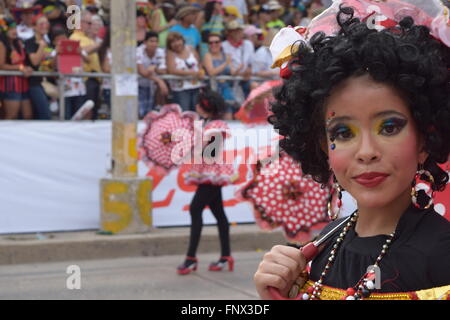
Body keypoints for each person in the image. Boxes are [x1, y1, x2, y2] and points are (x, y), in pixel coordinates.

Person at [254, 1, 450, 300]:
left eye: (389, 128)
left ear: (424, 140)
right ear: (323, 146)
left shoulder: (442, 254)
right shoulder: (321, 249)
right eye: (343, 133)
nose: (366, 152)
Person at [177, 88, 236, 275]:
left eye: (199, 103)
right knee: (219, 213)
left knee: (196, 209)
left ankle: (190, 258)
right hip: (208, 174)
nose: (196, 106)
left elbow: (211, 153)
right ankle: (225, 256)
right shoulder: (209, 124)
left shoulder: (216, 126)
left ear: (204, 106)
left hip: (211, 175)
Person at [70, 10, 102, 120]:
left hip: (93, 78)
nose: (90, 26)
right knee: (87, 110)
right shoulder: (75, 37)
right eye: (88, 23)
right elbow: (82, 53)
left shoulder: (86, 38)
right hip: (86, 78)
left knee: (92, 110)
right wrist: (100, 44)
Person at [0, 16, 34, 120]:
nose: (13, 31)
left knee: (28, 116)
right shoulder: (1, 44)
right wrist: (20, 68)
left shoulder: (18, 43)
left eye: (14, 28)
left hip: (23, 83)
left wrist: (28, 68)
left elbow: (23, 61)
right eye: (10, 29)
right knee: (11, 116)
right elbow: (1, 65)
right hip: (9, 84)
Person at [166, 31, 204, 112]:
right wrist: (191, 73)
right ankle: (184, 125)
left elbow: (199, 63)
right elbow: (172, 70)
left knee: (198, 112)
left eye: (178, 40)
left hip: (196, 86)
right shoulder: (170, 53)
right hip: (181, 89)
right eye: (173, 42)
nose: (176, 43)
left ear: (182, 40)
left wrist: (200, 72)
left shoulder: (190, 48)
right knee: (184, 112)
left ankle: (198, 125)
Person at [24, 13, 52, 119]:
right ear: (34, 27)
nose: (45, 26)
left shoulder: (48, 42)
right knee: (45, 114)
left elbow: (49, 63)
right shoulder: (29, 42)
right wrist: (41, 47)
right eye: (41, 24)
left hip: (47, 82)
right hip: (34, 83)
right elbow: (35, 61)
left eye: (46, 23)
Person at [137, 31, 168, 118]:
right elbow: (142, 72)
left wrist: (154, 68)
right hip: (138, 85)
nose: (154, 44)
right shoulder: (138, 51)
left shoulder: (160, 52)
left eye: (156, 41)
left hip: (152, 87)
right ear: (145, 42)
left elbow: (164, 70)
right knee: (141, 113)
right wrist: (159, 81)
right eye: (151, 41)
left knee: (151, 114)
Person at [221, 20, 254, 101]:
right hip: (230, 80)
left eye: (240, 30)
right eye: (236, 31)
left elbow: (251, 62)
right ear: (229, 32)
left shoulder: (248, 44)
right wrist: (239, 73)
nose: (240, 33)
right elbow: (225, 65)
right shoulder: (223, 45)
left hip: (246, 79)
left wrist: (248, 70)